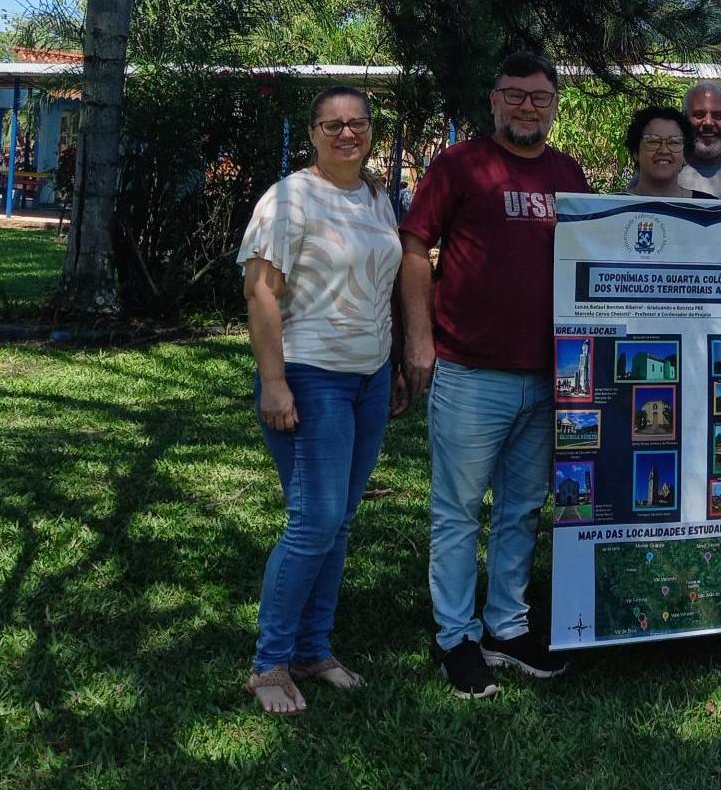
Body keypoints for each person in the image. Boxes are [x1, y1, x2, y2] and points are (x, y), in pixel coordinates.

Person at [400, 52, 592, 699]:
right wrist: (419, 341)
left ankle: (505, 626)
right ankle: (455, 635)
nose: (527, 106)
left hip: (548, 374)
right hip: (469, 368)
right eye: (515, 95)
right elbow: (414, 249)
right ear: (494, 99)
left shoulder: (569, 174)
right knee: (457, 511)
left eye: (539, 97)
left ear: (555, 103)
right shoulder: (458, 166)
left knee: (521, 508)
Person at [237, 85, 407, 715]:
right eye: (332, 125)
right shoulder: (288, 199)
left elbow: (379, 286)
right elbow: (261, 293)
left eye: (357, 124)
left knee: (338, 521)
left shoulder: (377, 197)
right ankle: (270, 664)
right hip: (310, 376)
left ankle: (313, 648)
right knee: (313, 521)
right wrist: (275, 382)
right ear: (312, 133)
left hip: (367, 378)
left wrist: (389, 365)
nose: (346, 134)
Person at [623, 106, 714, 199]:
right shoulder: (611, 207)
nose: (664, 151)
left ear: (684, 154)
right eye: (653, 142)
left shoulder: (709, 208)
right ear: (635, 152)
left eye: (674, 142)